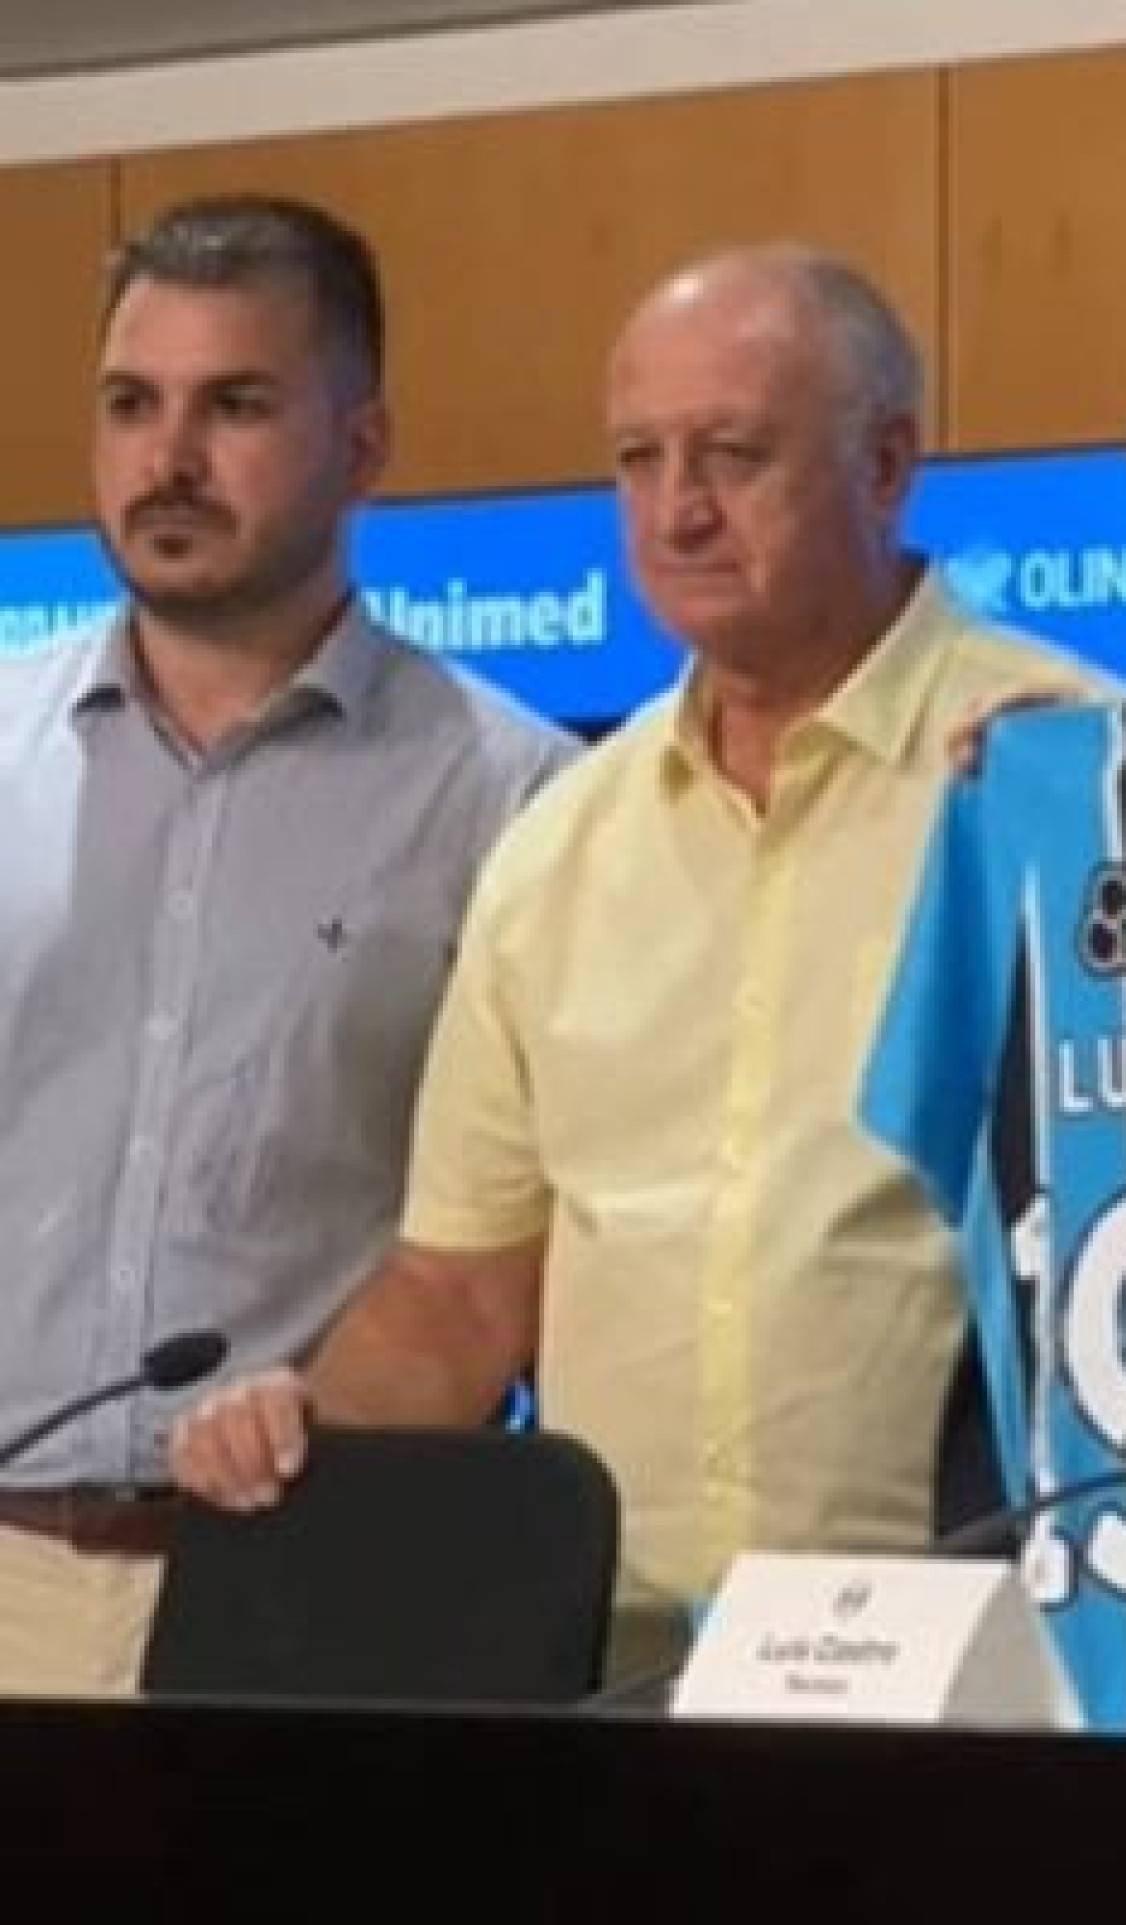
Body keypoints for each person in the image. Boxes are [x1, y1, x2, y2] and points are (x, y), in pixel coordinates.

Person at [167, 245, 1105, 1675]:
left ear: (889, 463)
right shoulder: (559, 843)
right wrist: (297, 1437)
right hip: (614, 1663)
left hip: (980, 1656)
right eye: (638, 458)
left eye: (734, 454)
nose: (679, 511)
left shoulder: (1069, 776)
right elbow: (460, 1296)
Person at [0, 194, 573, 1696]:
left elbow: (505, 1255)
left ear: (365, 447)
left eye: (234, 406)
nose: (167, 460)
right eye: (132, 405)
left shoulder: (515, 798)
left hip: (303, 1579)